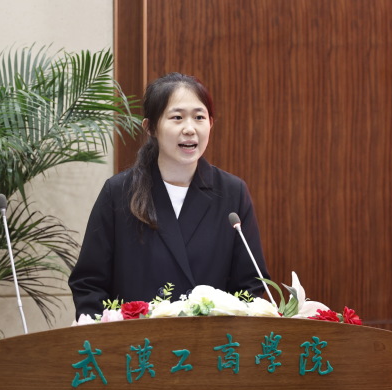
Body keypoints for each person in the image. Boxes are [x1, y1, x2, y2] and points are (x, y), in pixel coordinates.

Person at [68, 72, 269, 319]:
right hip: (137, 341)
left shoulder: (232, 192)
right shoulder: (119, 192)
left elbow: (250, 285)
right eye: (177, 118)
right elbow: (89, 284)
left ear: (211, 123)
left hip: (211, 341)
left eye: (199, 117)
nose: (190, 129)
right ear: (150, 127)